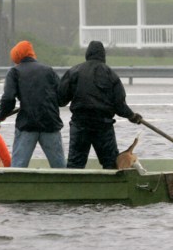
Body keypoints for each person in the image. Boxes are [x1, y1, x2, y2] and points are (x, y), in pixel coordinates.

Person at [58, 40, 142, 169]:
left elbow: (60, 100)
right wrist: (132, 116)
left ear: (87, 54)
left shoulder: (74, 72)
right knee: (110, 164)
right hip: (103, 126)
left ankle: (74, 188)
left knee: (75, 164)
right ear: (103, 56)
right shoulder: (111, 75)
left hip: (80, 125)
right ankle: (111, 188)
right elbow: (120, 106)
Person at [0, 40, 66, 168]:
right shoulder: (48, 70)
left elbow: (8, 98)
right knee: (60, 167)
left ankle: (15, 186)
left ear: (17, 56)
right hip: (50, 123)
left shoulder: (14, 72)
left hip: (27, 123)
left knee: (18, 167)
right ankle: (66, 186)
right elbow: (61, 98)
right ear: (31, 54)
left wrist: (1, 116)